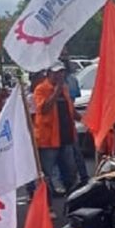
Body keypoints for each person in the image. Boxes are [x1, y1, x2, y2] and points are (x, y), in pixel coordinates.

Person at [34, 62, 79, 196]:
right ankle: (46, 200)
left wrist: (85, 120)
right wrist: (55, 93)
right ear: (48, 74)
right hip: (48, 139)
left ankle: (71, 194)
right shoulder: (41, 89)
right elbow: (43, 109)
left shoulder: (64, 88)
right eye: (56, 72)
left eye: (61, 72)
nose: (59, 75)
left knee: (70, 169)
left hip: (66, 136)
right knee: (47, 172)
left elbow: (70, 109)